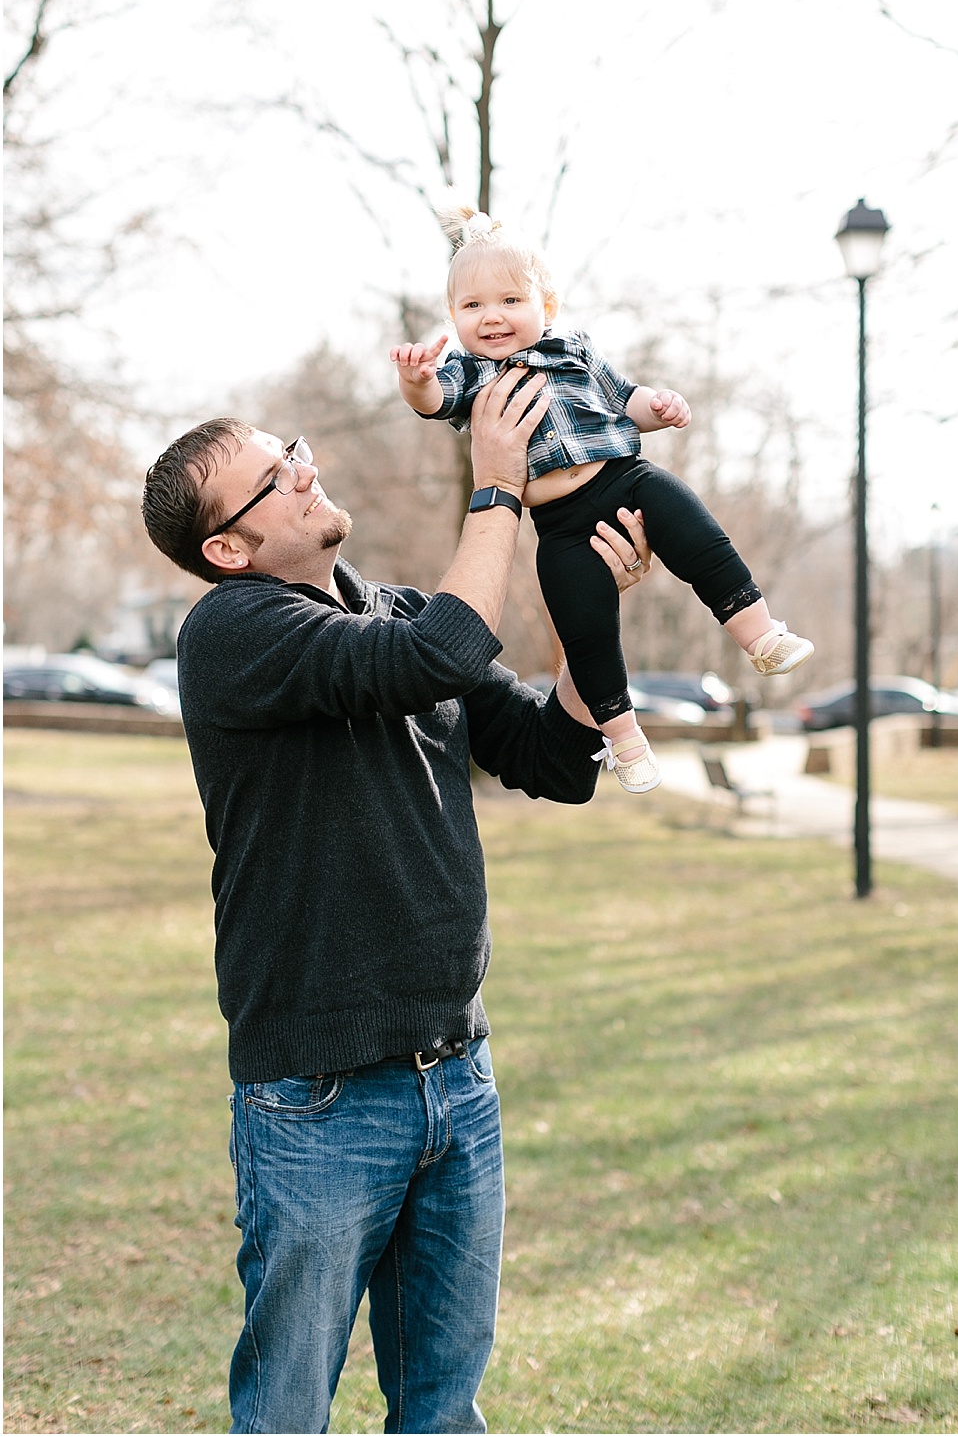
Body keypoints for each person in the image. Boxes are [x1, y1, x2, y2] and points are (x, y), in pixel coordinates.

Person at [140, 367, 653, 1435]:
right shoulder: (231, 632)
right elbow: (440, 654)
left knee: (441, 1410)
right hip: (318, 1099)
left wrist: (591, 621)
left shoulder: (402, 617)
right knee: (288, 1412)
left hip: (458, 1080)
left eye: (292, 452)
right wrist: (499, 489)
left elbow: (553, 760)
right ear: (227, 550)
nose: (303, 470)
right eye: (274, 479)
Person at [391, 204, 814, 795]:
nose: (492, 317)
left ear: (548, 307)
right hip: (559, 527)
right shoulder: (469, 373)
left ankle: (759, 633)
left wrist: (658, 409)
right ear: (454, 317)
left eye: (511, 301)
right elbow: (434, 400)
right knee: (586, 630)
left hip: (626, 480)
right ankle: (623, 739)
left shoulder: (576, 352)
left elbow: (624, 398)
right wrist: (416, 379)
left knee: (697, 535)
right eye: (472, 306)